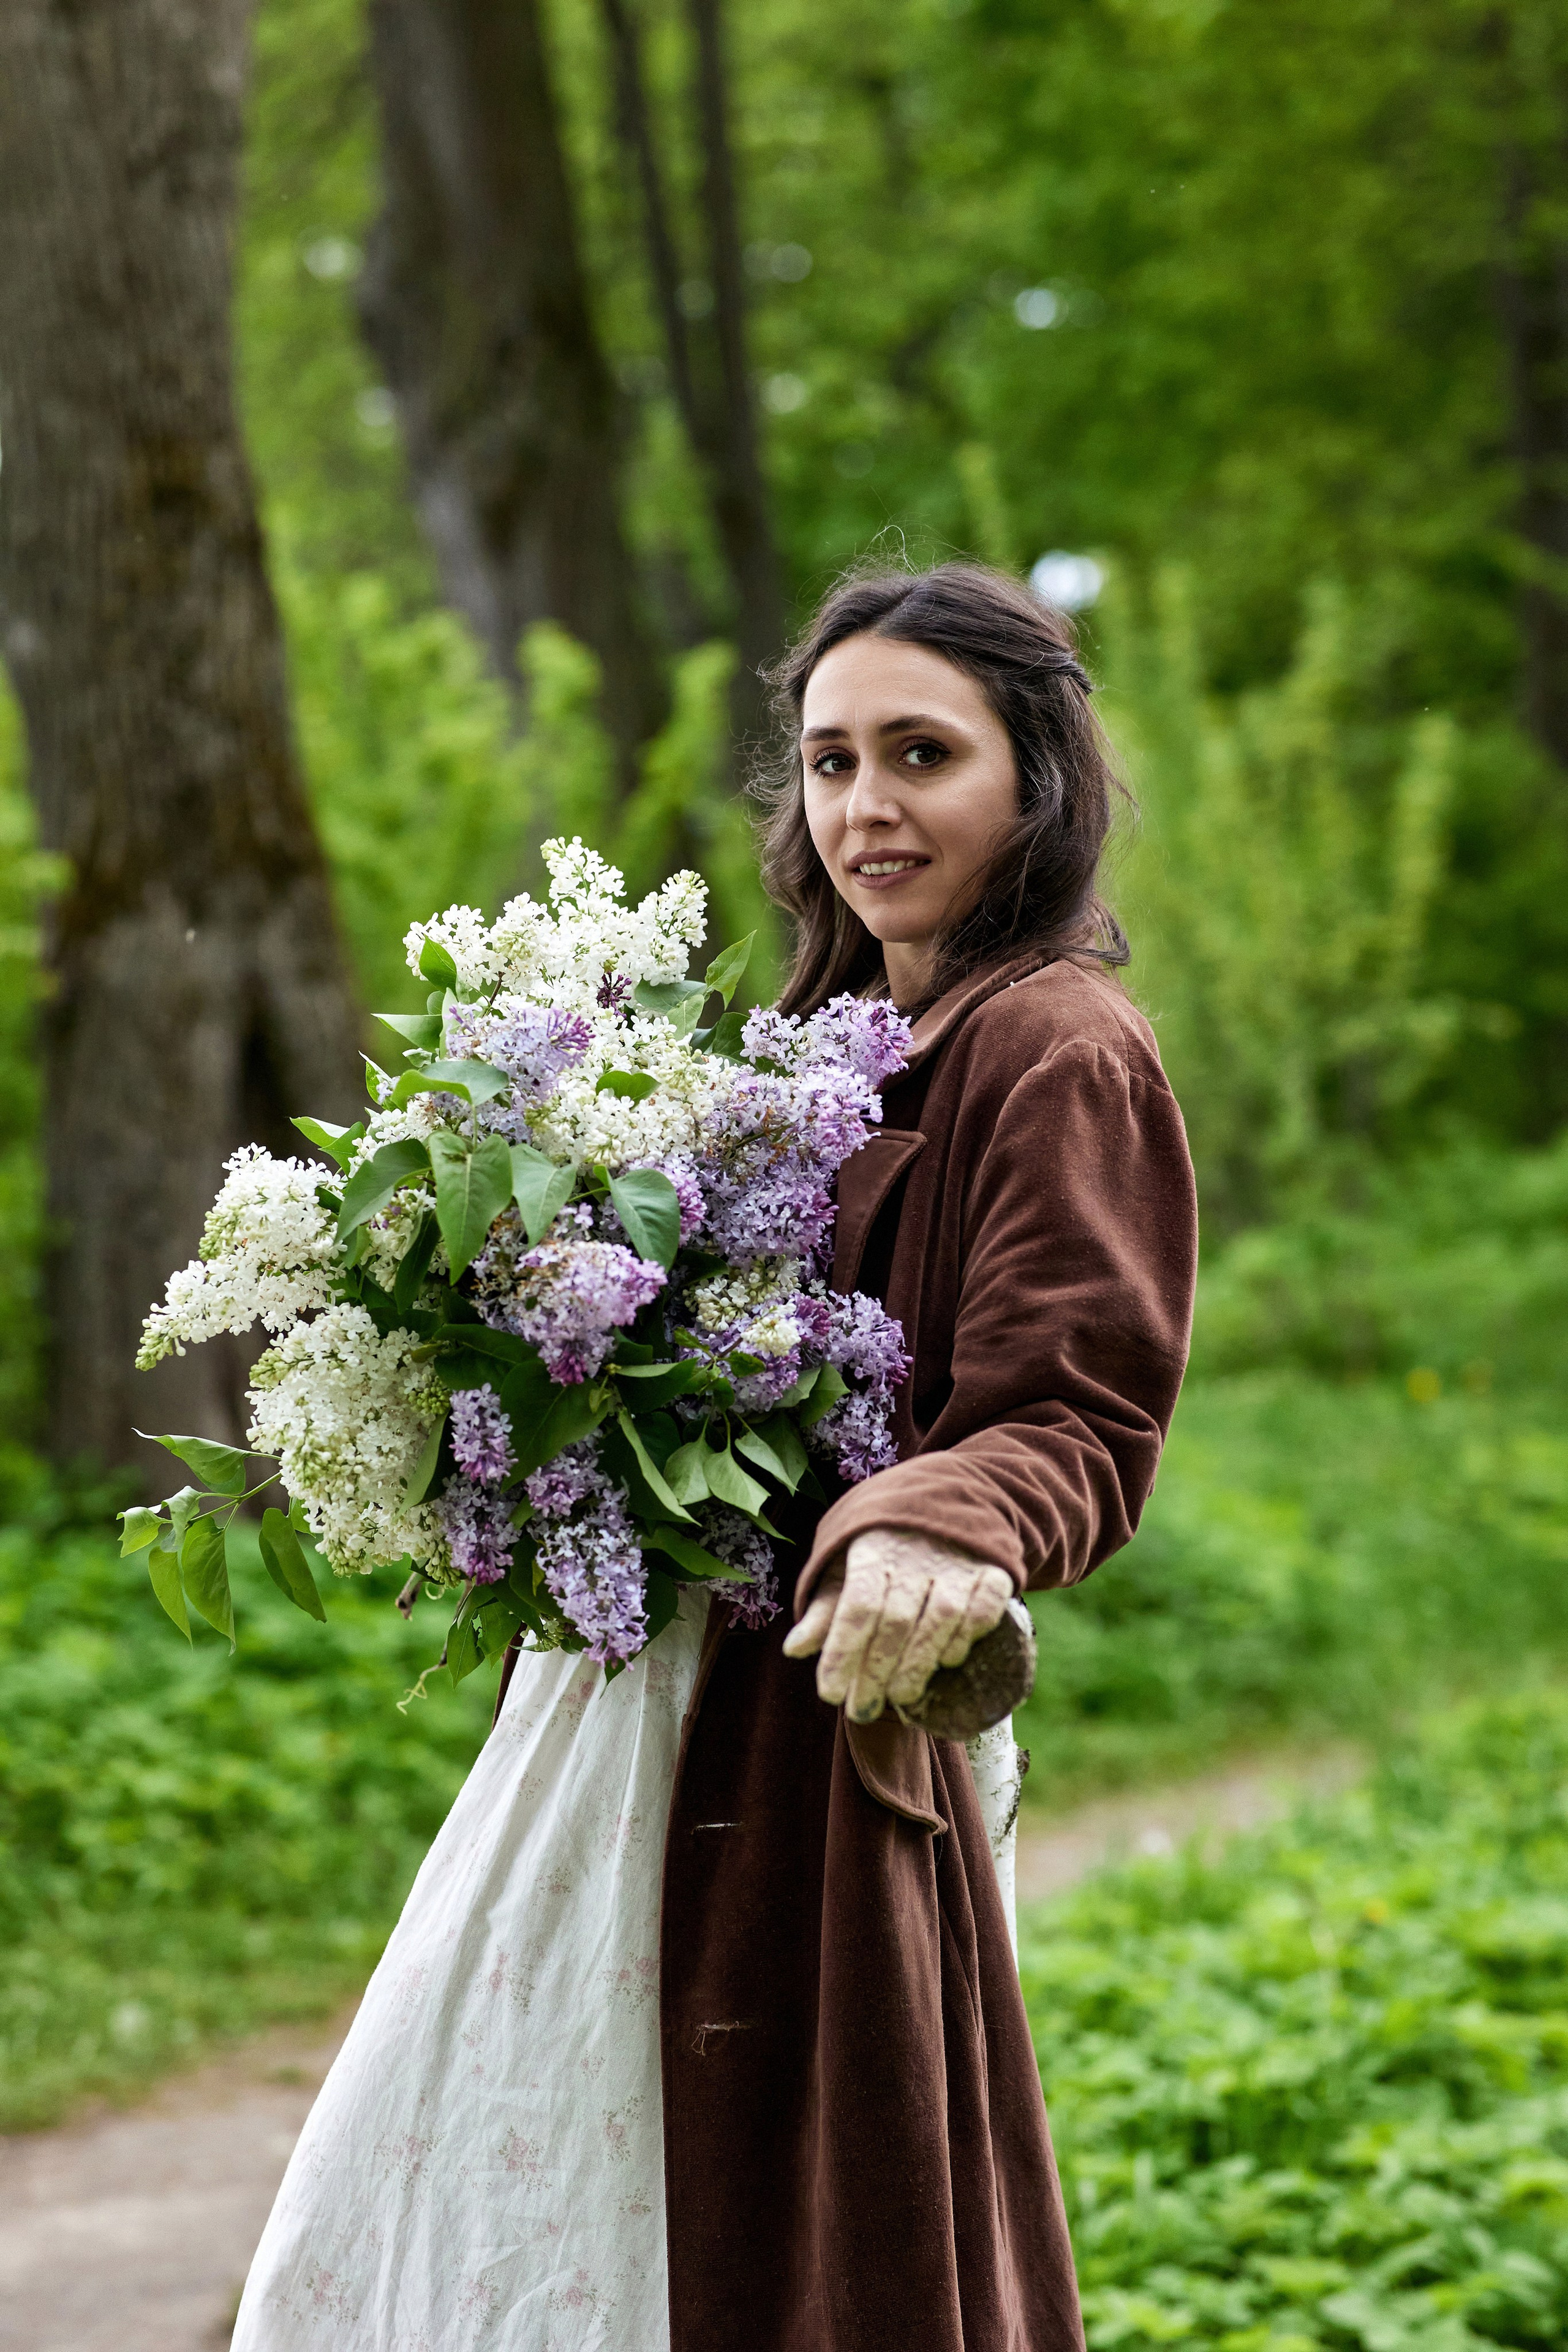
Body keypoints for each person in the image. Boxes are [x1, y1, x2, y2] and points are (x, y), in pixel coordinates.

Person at [232, 561, 1197, 2352]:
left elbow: (1078, 1400)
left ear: (1035, 781)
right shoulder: (813, 1052)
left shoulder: (1054, 1046)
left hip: (820, 1736)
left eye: (924, 754)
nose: (868, 806)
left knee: (788, 2232)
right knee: (472, 2168)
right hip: (637, 1715)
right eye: (832, 762)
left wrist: (937, 1524)